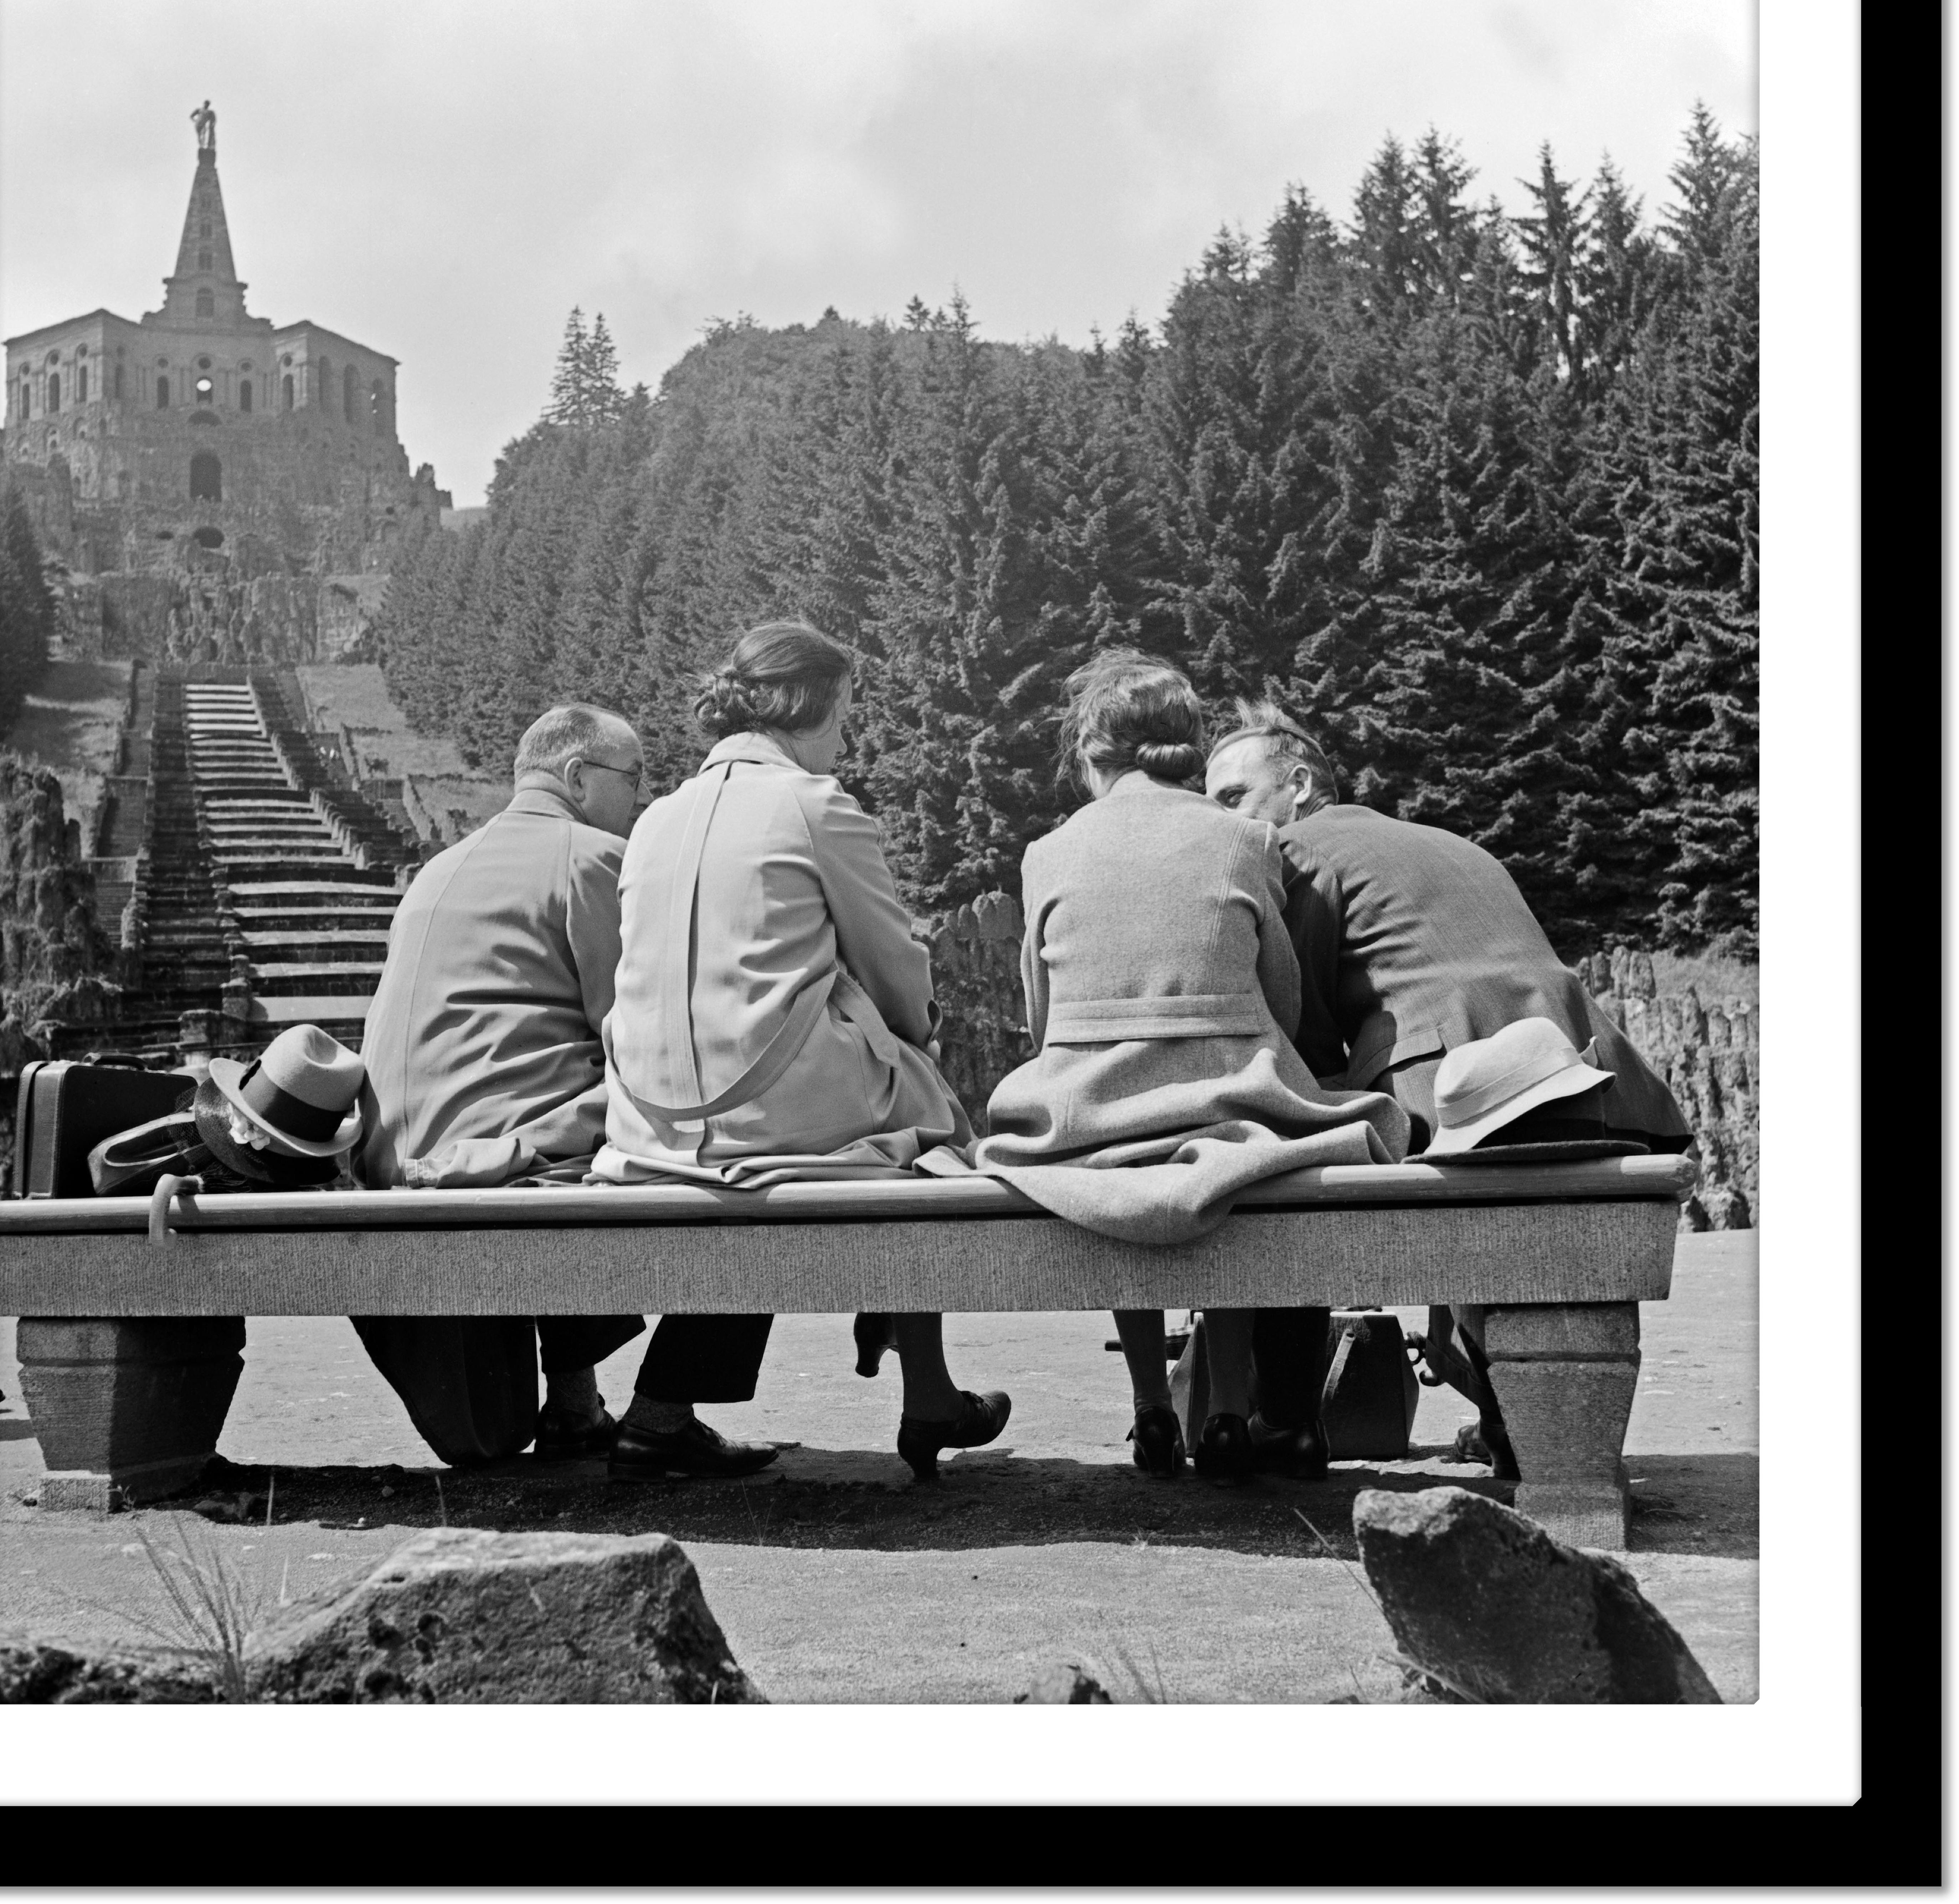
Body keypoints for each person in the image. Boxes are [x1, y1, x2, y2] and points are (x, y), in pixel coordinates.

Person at [1204, 696, 1693, 1470]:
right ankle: (1517, 1430)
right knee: (1501, 1227)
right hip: (1584, 1073)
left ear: (1298, 784)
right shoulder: (1446, 841)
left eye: (1232, 797)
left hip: (1447, 1080)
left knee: (1277, 1157)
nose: (1224, 820)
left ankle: (1286, 1415)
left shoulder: (1294, 855)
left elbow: (1301, 1039)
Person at [972, 652, 1410, 1485]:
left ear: (1092, 751)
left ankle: (1149, 1404)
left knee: (1116, 1175)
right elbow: (1279, 996)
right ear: (1184, 744)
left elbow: (1041, 1019)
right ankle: (1221, 1412)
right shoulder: (1243, 839)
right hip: (1224, 1099)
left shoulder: (1048, 851)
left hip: (1086, 1112)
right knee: (1232, 1164)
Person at [597, 620, 1010, 1482]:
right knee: (929, 1128)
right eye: (846, 713)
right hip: (767, 1113)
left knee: (793, 1159)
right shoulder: (817, 806)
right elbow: (894, 965)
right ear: (811, 704)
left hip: (645, 1123)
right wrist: (910, 1042)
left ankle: (663, 1412)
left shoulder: (655, 819)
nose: (848, 736)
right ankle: (927, 1389)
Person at [352, 702, 767, 1475]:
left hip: (395, 1156)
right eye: (634, 779)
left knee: (574, 1102)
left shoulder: (441, 868)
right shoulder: (592, 858)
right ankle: (662, 1419)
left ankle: (575, 1406)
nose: (639, 800)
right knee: (754, 1164)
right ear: (579, 776)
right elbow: (647, 1036)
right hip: (497, 1159)